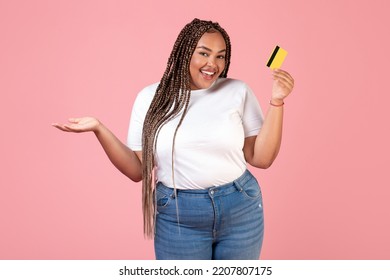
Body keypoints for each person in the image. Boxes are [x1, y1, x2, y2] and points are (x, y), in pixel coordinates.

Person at [53, 18, 294, 260]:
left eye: (221, 56)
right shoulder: (150, 98)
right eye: (203, 53)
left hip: (241, 208)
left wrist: (277, 100)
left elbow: (261, 159)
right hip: (179, 216)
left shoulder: (238, 91)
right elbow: (137, 171)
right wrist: (99, 129)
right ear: (184, 52)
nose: (213, 63)